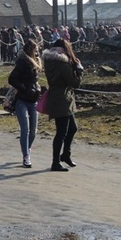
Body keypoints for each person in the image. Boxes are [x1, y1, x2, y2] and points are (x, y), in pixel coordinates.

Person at [41, 38, 83, 172]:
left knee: (72, 128)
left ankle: (65, 155)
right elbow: (74, 83)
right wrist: (79, 70)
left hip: (58, 97)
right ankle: (55, 162)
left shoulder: (49, 61)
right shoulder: (63, 64)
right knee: (61, 132)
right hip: (62, 99)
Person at [8, 39, 42, 168]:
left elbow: (34, 81)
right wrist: (24, 89)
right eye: (35, 50)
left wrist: (37, 89)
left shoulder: (36, 63)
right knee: (25, 129)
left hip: (33, 100)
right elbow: (12, 79)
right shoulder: (22, 63)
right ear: (30, 50)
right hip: (22, 100)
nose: (37, 52)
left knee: (34, 131)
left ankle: (27, 148)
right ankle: (26, 156)